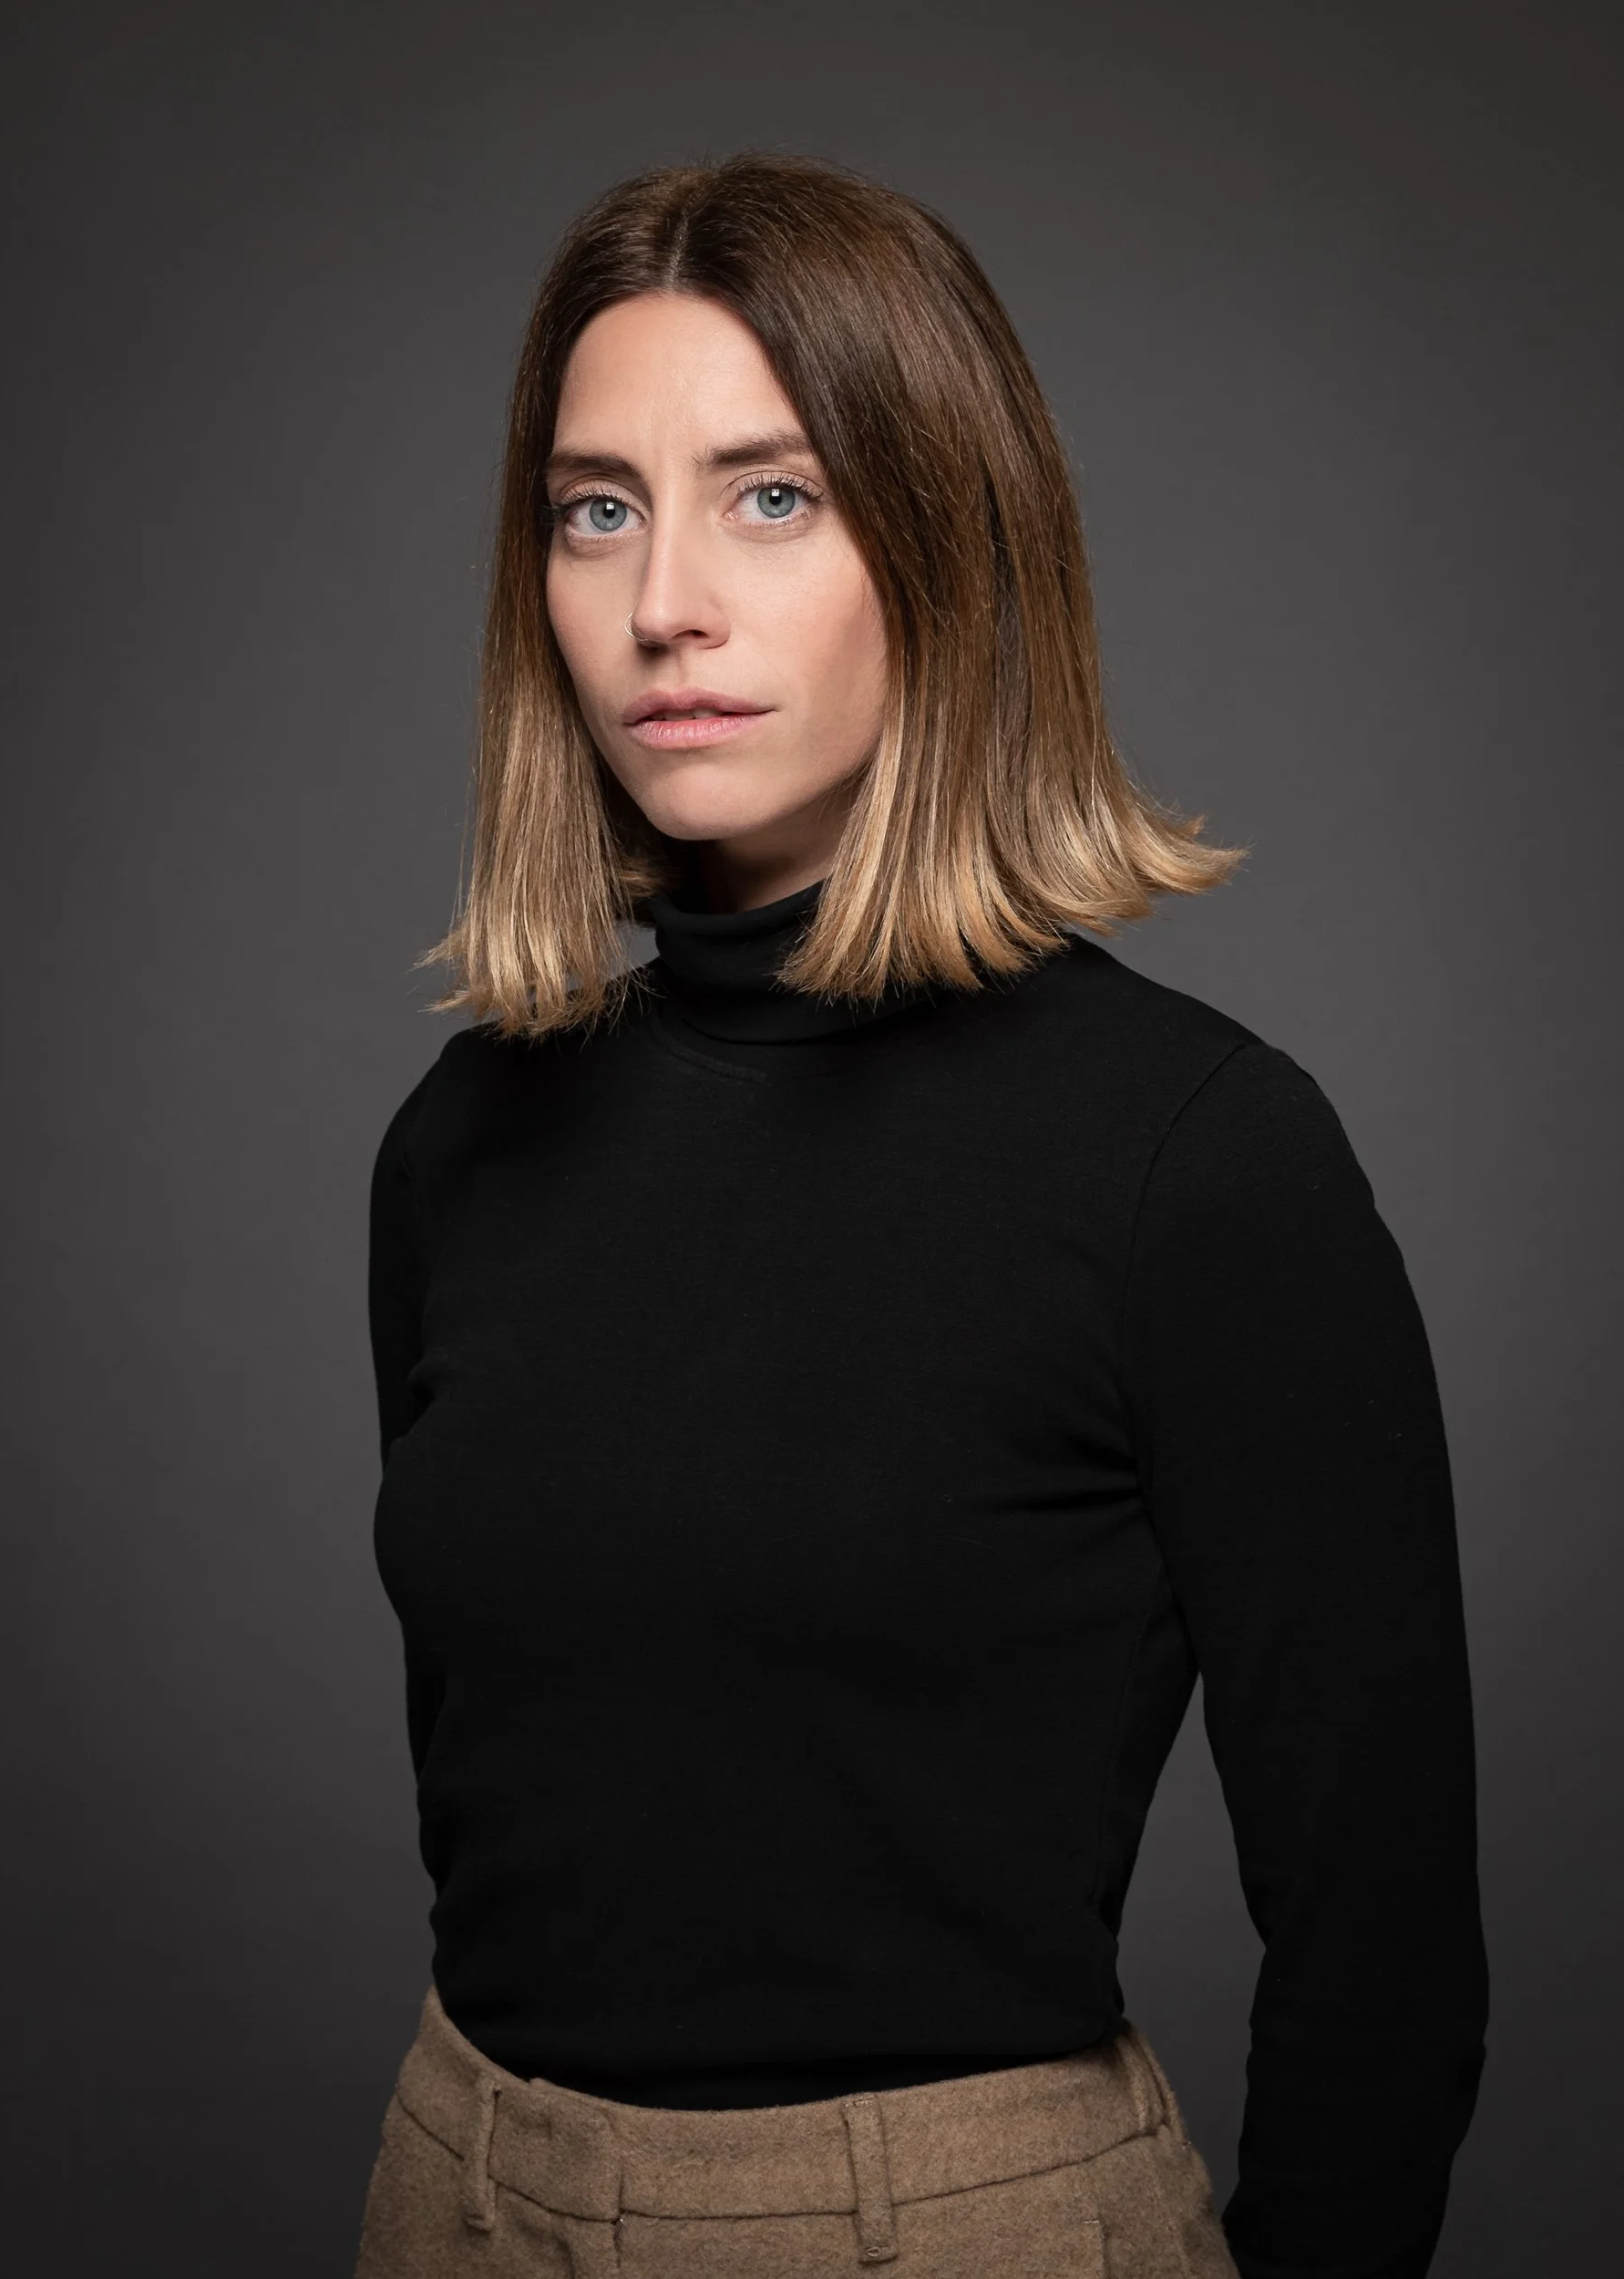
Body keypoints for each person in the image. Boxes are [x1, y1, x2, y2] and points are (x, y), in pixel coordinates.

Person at [354, 153, 1488, 2279]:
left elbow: (1387, 1941)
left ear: (946, 540)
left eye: (769, 493)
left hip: (946, 2226)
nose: (662, 597)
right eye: (598, 505)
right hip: (458, 2189)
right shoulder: (465, 1137)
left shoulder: (1201, 1159)